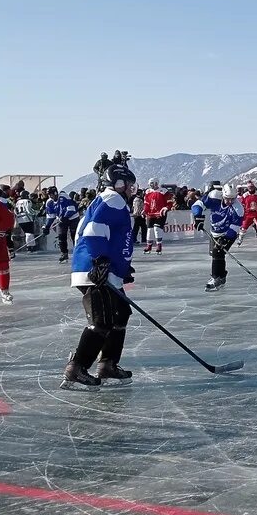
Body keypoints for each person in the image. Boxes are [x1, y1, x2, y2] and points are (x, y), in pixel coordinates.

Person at [64, 162, 137, 391]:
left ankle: (108, 365)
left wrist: (122, 267)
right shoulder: (113, 200)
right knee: (102, 321)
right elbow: (93, 230)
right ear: (119, 184)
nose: (131, 190)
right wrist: (100, 260)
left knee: (121, 314)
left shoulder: (106, 200)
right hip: (95, 271)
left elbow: (112, 237)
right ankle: (76, 369)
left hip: (104, 270)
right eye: (129, 185)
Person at [201, 185, 243, 291]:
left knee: (217, 252)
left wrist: (225, 239)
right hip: (214, 233)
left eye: (232, 199)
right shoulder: (215, 198)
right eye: (227, 198)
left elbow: (235, 226)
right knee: (217, 255)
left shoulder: (238, 208)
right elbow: (200, 204)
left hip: (228, 234)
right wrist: (197, 217)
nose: (229, 201)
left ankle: (215, 278)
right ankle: (222, 277)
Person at [143, 178, 172, 253]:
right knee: (149, 230)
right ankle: (149, 246)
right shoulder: (148, 191)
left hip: (160, 213)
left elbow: (169, 202)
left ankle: (159, 245)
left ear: (156, 183)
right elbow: (146, 203)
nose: (151, 185)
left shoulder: (164, 191)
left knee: (157, 229)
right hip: (150, 214)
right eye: (150, 184)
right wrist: (145, 210)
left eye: (152, 183)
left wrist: (166, 208)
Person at [55, 190, 80, 262]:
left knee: (74, 235)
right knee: (61, 236)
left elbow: (71, 209)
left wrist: (65, 217)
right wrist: (47, 226)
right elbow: (50, 216)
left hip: (73, 217)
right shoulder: (49, 202)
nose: (51, 197)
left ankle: (78, 253)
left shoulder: (63, 196)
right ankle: (64, 253)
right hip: (61, 219)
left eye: (52, 194)